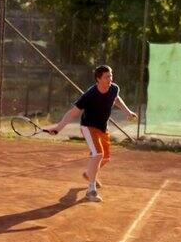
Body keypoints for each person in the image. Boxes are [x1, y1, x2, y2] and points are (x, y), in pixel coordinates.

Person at [48, 65, 137, 202]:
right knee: (98, 154)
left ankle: (89, 173)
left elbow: (116, 99)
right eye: (107, 77)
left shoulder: (114, 88)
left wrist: (127, 112)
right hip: (88, 127)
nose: (110, 79)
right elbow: (72, 113)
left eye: (111, 76)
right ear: (98, 79)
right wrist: (58, 128)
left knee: (105, 158)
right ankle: (91, 190)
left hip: (102, 128)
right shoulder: (89, 95)